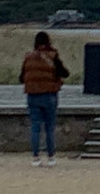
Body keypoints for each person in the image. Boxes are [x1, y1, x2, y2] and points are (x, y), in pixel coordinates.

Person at [19, 30, 69, 167]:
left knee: (35, 127)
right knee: (49, 127)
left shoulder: (28, 57)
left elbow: (21, 78)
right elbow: (65, 73)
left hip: (32, 95)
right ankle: (51, 157)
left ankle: (35, 157)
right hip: (49, 94)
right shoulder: (52, 56)